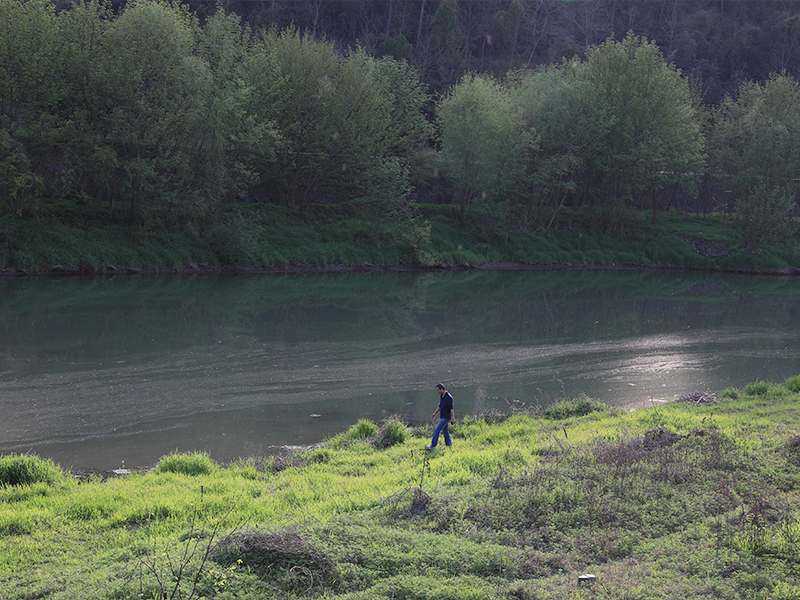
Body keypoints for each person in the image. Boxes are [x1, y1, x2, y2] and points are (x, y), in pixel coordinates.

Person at [427, 383, 455, 449]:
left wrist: (453, 419)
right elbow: (440, 406)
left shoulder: (449, 398)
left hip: (446, 417)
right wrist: (435, 413)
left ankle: (433, 446)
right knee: (445, 432)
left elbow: (452, 409)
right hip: (442, 416)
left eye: (438, 390)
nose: (438, 392)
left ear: (442, 389)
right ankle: (448, 446)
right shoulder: (442, 396)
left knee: (437, 430)